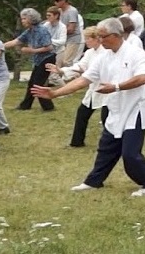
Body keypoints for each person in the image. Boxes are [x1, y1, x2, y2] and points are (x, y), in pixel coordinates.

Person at [31, 17, 145, 197]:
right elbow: (84, 79)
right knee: (106, 149)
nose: (99, 40)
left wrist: (116, 87)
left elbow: (141, 78)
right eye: (98, 36)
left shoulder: (136, 54)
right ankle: (94, 181)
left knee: (130, 154)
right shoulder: (103, 58)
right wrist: (55, 93)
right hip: (116, 108)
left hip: (136, 109)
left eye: (103, 36)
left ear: (116, 35)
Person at [46, 26, 109, 147]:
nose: (86, 41)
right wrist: (62, 71)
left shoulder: (105, 52)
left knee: (107, 118)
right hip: (93, 89)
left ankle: (111, 144)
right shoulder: (90, 53)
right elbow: (80, 66)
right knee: (82, 113)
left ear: (97, 39)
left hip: (106, 89)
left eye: (88, 38)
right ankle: (77, 142)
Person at [4, 8, 55, 111]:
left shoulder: (42, 30)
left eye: (24, 19)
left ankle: (48, 106)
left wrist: (31, 50)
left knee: (38, 84)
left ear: (31, 19)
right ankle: (26, 105)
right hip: (38, 60)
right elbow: (16, 41)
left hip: (47, 59)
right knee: (32, 83)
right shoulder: (29, 31)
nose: (22, 21)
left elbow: (49, 47)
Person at [54, 0, 82, 67]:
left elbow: (71, 29)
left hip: (73, 39)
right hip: (64, 38)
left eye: (57, 1)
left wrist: (59, 32)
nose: (56, 3)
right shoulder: (59, 11)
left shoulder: (72, 11)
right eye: (55, 1)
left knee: (66, 61)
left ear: (64, 1)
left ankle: (70, 77)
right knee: (59, 61)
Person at [43, 6, 67, 87]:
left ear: (56, 16)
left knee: (54, 75)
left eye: (49, 15)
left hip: (59, 52)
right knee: (44, 73)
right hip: (48, 52)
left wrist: (49, 41)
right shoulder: (46, 25)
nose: (47, 17)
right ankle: (41, 91)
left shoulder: (62, 27)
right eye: (47, 15)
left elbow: (62, 41)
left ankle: (66, 91)